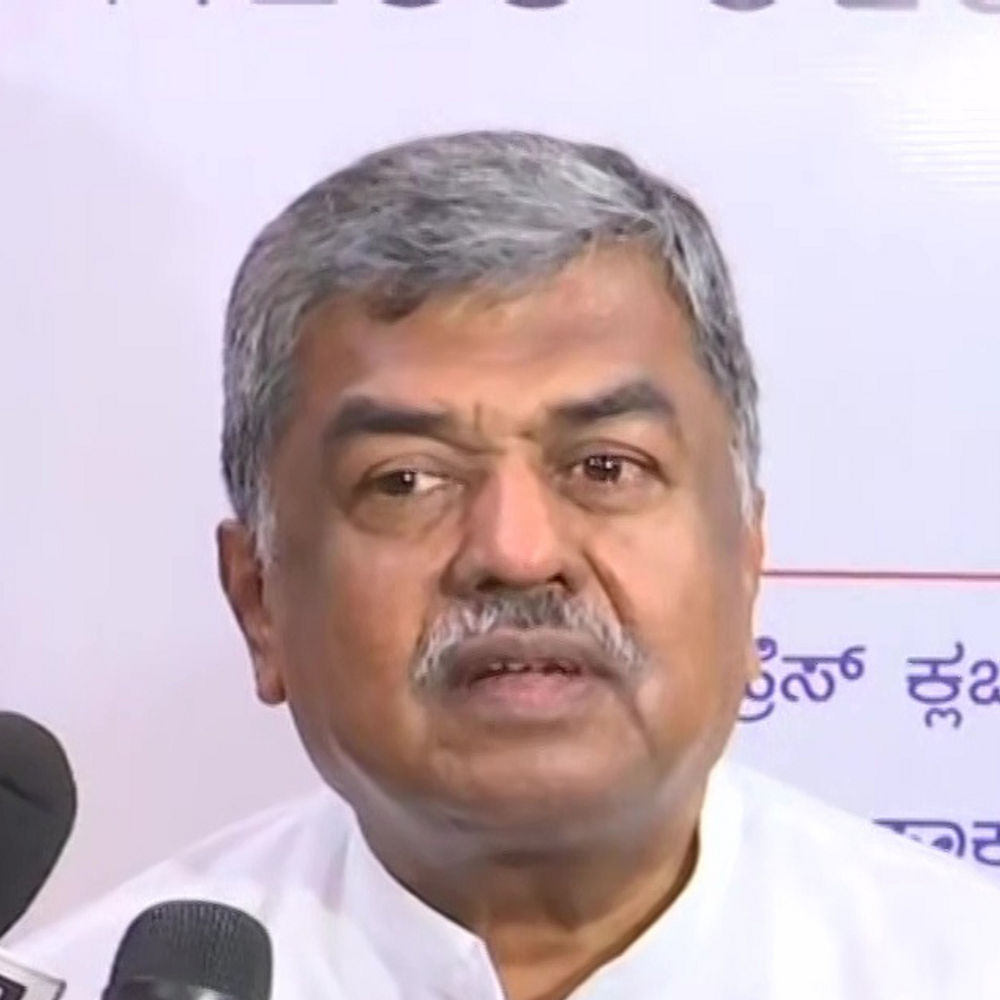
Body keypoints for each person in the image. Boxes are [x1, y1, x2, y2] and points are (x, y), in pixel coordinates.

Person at [17, 131, 1000, 1000]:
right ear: (259, 601)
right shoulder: (89, 984)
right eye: (406, 480)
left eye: (607, 467)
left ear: (746, 562)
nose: (516, 553)